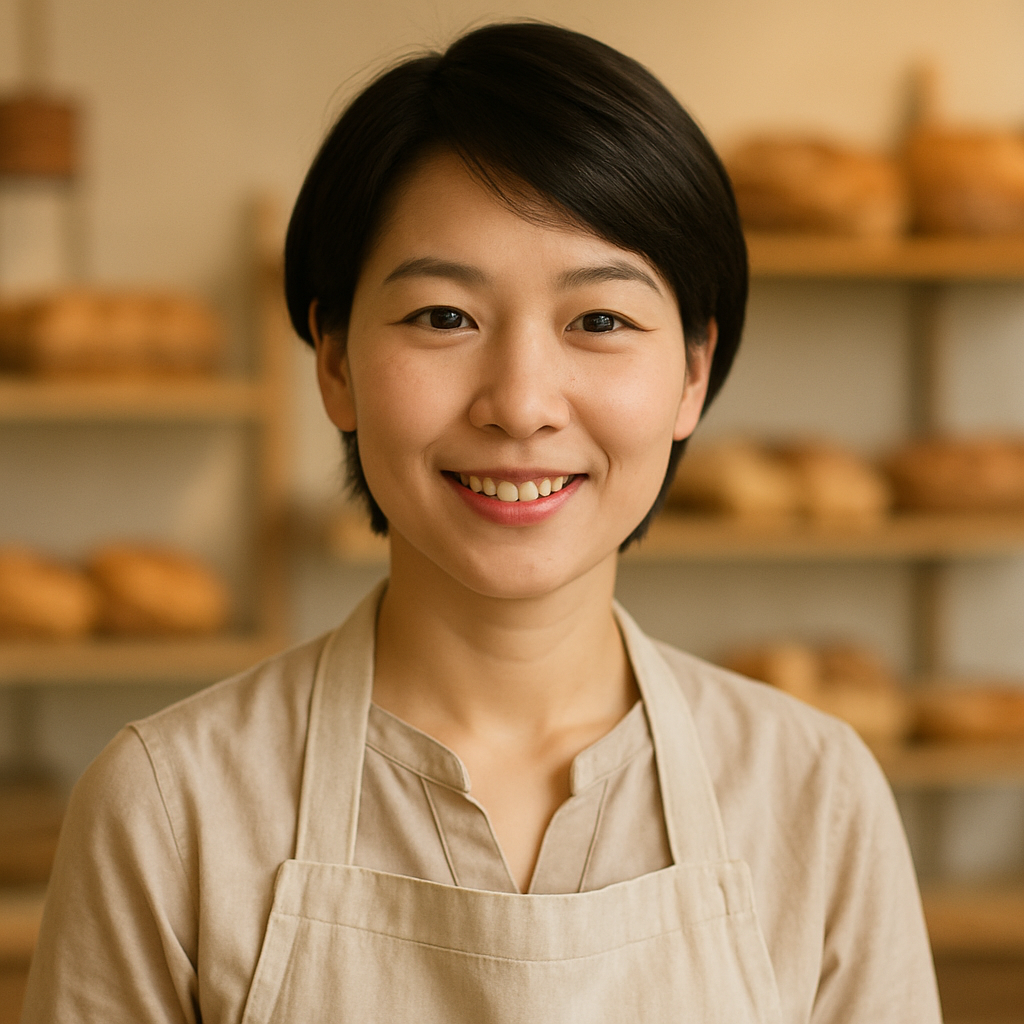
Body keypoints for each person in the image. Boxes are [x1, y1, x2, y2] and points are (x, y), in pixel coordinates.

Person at [22, 21, 942, 1023]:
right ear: (334, 360)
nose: (519, 401)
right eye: (443, 317)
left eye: (598, 321)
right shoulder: (169, 808)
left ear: (691, 372)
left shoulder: (814, 796)